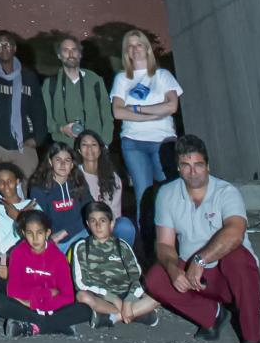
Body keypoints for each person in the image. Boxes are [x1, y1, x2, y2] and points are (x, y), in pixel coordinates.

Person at [143, 135, 260, 343]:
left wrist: (200, 260)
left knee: (238, 257)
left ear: (207, 166)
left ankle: (252, 339)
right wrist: (173, 269)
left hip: (227, 276)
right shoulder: (166, 194)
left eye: (198, 165)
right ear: (178, 168)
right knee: (155, 279)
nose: (193, 172)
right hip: (193, 276)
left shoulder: (226, 192)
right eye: (186, 166)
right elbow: (164, 244)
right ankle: (212, 316)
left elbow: (235, 232)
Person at [110, 29, 183, 231]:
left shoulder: (162, 76)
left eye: (139, 44)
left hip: (163, 142)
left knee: (169, 190)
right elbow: (117, 112)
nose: (135, 49)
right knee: (143, 193)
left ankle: (174, 234)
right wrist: (154, 114)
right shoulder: (122, 78)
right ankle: (148, 239)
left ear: (147, 48)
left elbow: (172, 106)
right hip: (134, 142)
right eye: (130, 46)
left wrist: (136, 108)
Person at [0, 209, 91, 336]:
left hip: (48, 307)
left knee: (85, 310)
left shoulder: (58, 257)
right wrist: (47, 293)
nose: (34, 238)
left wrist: (36, 303)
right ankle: (57, 325)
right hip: (29, 306)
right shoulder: (18, 253)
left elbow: (68, 297)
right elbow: (13, 292)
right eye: (29, 233)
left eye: (39, 233)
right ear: (23, 233)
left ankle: (34, 326)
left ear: (47, 232)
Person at [0, 32, 46, 182]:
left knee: (21, 192)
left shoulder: (29, 77)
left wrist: (37, 139)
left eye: (7, 44)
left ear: (14, 48)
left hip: (23, 146)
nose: (4, 47)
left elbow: (39, 111)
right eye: (0, 45)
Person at [72, 202, 159, 326]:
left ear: (111, 224)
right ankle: (140, 314)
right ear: (88, 224)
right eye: (93, 221)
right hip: (102, 296)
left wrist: (128, 301)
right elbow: (81, 283)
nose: (98, 225)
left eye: (102, 221)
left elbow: (137, 277)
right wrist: (112, 298)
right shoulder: (81, 247)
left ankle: (114, 317)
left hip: (126, 293)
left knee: (158, 295)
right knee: (82, 297)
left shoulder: (121, 245)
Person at [43, 35, 114, 147]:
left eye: (74, 50)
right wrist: (61, 129)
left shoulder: (95, 80)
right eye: (65, 50)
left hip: (94, 148)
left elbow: (107, 114)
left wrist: (105, 142)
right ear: (59, 55)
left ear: (80, 54)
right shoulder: (51, 84)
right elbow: (46, 118)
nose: (71, 54)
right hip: (65, 148)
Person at [74, 130, 136, 247]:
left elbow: (115, 213)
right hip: (83, 227)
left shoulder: (112, 177)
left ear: (100, 149)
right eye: (84, 145)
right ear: (79, 150)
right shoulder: (74, 176)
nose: (89, 148)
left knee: (125, 226)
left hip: (107, 225)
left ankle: (122, 259)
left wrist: (105, 231)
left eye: (93, 144)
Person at [28, 144, 90, 255]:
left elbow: (91, 212)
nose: (62, 164)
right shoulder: (38, 188)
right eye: (58, 160)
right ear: (50, 162)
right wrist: (48, 239)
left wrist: (66, 232)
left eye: (67, 160)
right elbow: (38, 221)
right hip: (55, 242)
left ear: (72, 165)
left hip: (81, 234)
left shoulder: (79, 183)